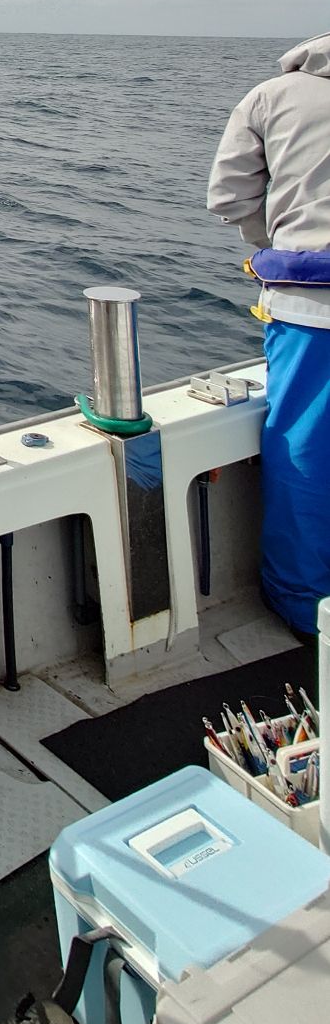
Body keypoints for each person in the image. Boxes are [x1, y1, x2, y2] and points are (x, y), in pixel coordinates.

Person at [207, 34, 330, 640]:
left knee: (305, 446)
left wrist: (281, 247)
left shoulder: (272, 97)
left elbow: (228, 197)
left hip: (312, 309)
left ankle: (306, 604)